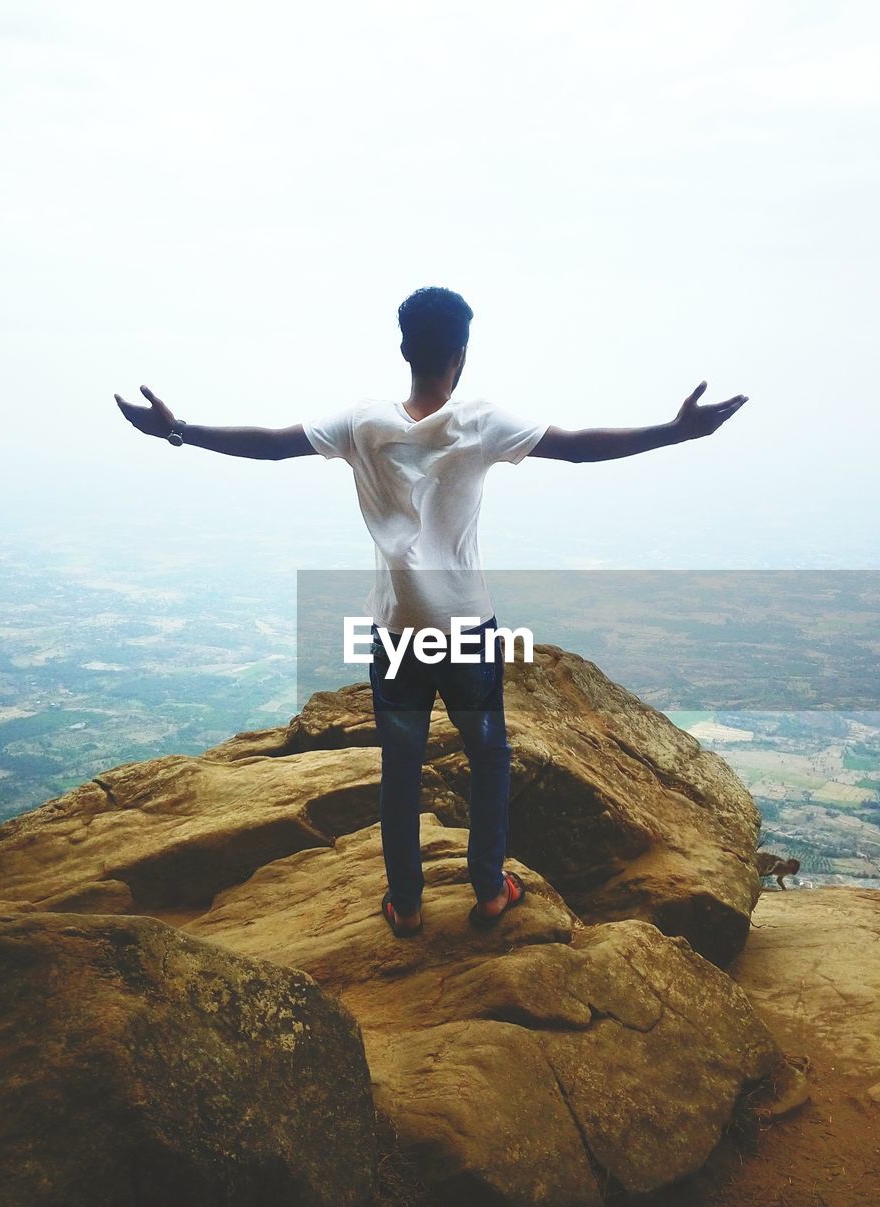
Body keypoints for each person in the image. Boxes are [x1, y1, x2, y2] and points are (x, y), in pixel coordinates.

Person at [114, 286, 748, 938]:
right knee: (488, 756)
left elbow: (272, 444)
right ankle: (489, 887)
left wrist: (177, 430)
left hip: (397, 629)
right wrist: (675, 432)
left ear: (403, 348)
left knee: (399, 768)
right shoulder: (480, 421)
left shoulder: (363, 422)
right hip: (467, 626)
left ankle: (407, 902)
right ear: (460, 354)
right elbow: (579, 447)